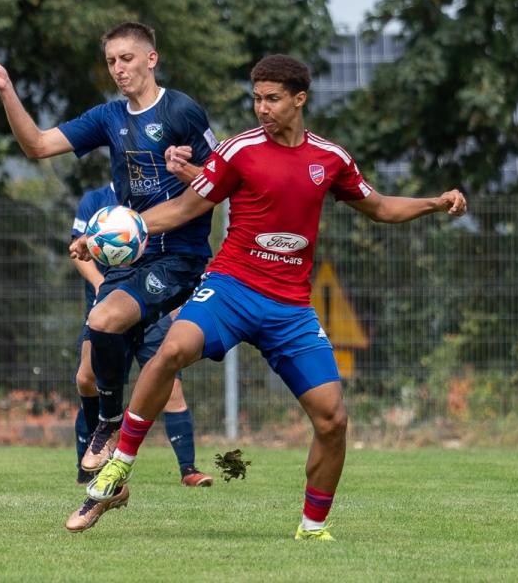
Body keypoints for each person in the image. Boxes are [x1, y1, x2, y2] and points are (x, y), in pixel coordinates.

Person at [71, 55, 468, 539]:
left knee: (334, 420)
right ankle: (118, 469)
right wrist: (111, 233)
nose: (261, 108)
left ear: (299, 99)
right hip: (232, 288)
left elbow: (381, 207)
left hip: (291, 308)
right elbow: (185, 207)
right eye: (256, 98)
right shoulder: (238, 150)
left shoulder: (331, 159)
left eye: (272, 98)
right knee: (172, 350)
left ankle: (313, 528)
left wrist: (434, 202)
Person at [0, 22, 218, 528]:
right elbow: (38, 146)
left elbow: (213, 189)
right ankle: (109, 446)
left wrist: (127, 223)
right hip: (134, 258)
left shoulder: (182, 112)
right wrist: (7, 92)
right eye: (111, 61)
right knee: (95, 345)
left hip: (179, 258)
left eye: (127, 58)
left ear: (152, 59)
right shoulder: (108, 117)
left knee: (120, 329)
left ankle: (127, 435)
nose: (118, 68)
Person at [70, 183, 212, 490]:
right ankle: (89, 464)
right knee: (86, 378)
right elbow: (79, 251)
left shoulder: (158, 197)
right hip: (109, 302)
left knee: (171, 386)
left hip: (147, 299)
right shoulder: (96, 199)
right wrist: (99, 286)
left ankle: (188, 469)